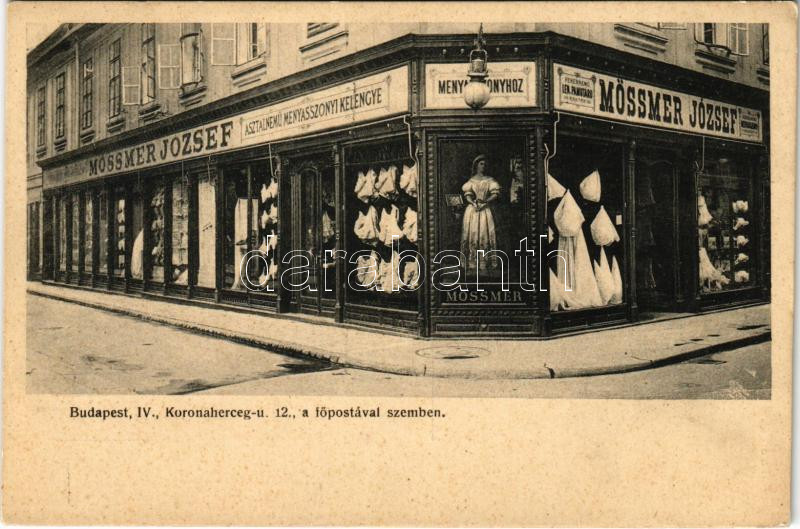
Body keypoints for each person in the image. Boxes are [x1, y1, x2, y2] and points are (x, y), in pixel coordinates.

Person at [461, 154, 501, 273]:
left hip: (485, 209)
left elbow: (495, 194)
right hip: (472, 210)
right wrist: (473, 202)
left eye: (485, 164)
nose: (483, 166)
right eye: (481, 164)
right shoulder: (471, 180)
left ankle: (485, 262)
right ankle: (471, 261)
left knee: (484, 232)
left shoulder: (490, 180)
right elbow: (468, 194)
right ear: (476, 166)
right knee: (472, 233)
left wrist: (485, 202)